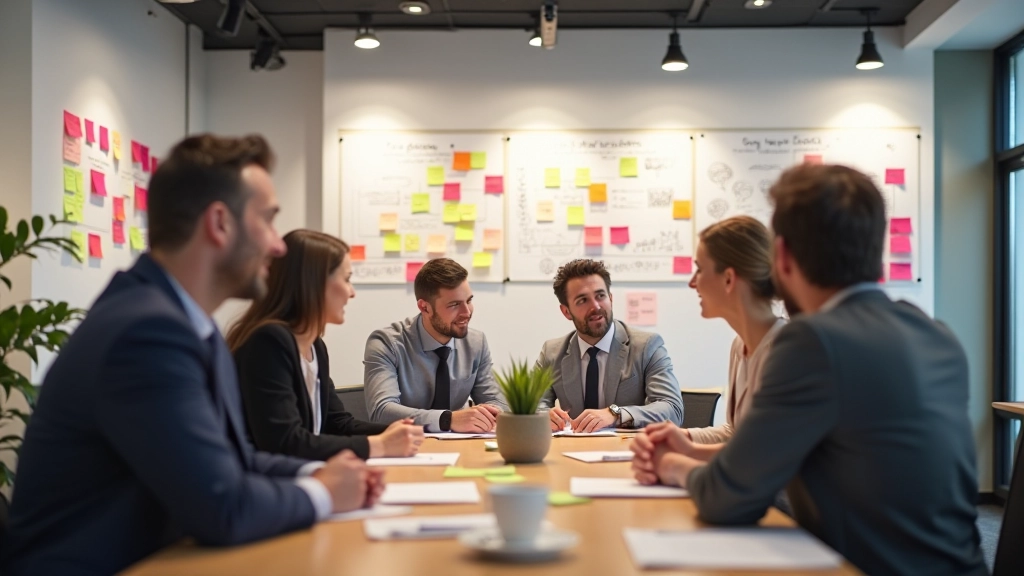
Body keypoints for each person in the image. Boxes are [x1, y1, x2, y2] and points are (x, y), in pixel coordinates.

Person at [0, 135, 384, 576]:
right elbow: (224, 506)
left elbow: (237, 460)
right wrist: (324, 494)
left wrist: (321, 473)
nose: (278, 246)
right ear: (219, 223)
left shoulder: (184, 324)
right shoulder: (146, 333)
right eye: (267, 220)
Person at [631, 164, 986, 576]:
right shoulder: (936, 334)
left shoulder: (811, 341)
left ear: (781, 257)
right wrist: (691, 452)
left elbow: (726, 498)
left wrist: (668, 465)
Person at [227, 229, 423, 461]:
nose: (352, 293)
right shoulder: (268, 342)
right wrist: (379, 445)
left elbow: (337, 424)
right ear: (314, 283)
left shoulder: (315, 346)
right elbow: (284, 442)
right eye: (347, 279)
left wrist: (396, 432)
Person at [536, 259, 683, 432]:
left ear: (611, 299)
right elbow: (527, 406)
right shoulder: (552, 353)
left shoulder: (647, 346)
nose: (596, 306)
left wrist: (616, 414)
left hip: (627, 447)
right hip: (571, 446)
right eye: (583, 300)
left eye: (600, 296)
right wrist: (543, 416)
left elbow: (672, 409)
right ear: (566, 311)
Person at [363, 258, 508, 432]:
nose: (466, 312)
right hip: (405, 443)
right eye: (454, 305)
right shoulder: (386, 343)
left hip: (461, 443)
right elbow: (381, 411)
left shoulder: (476, 342)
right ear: (425, 307)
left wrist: (491, 412)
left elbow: (496, 401)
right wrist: (448, 420)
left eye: (469, 301)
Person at [683, 216, 786, 459]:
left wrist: (681, 460)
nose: (692, 282)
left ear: (728, 279)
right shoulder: (740, 345)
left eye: (700, 269)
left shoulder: (783, 352)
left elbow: (766, 456)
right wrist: (685, 437)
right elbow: (736, 434)